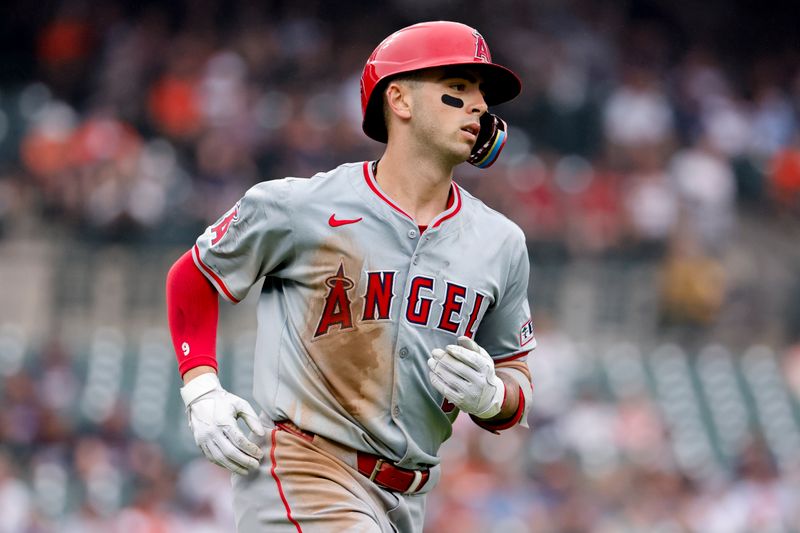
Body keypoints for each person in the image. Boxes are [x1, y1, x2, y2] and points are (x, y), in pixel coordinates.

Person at [166, 20, 535, 532]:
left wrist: (493, 397)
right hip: (302, 468)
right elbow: (193, 276)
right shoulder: (302, 206)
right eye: (457, 89)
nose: (478, 104)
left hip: (408, 497)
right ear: (400, 100)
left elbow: (516, 376)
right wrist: (201, 389)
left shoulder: (502, 243)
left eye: (481, 93)